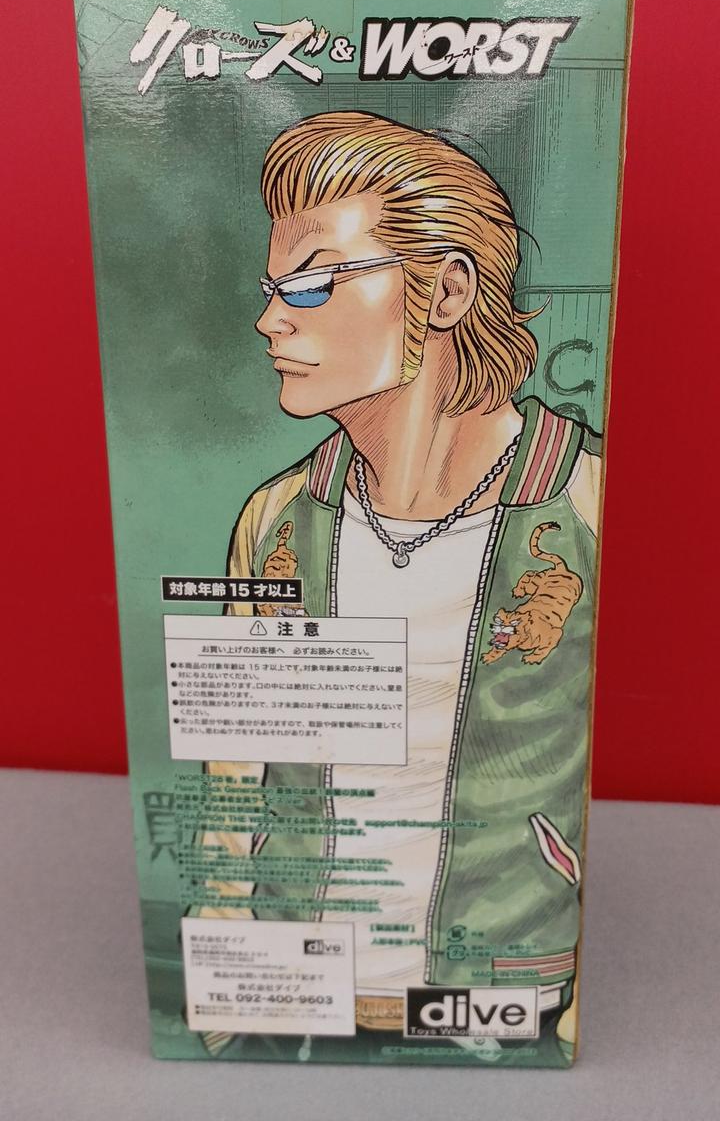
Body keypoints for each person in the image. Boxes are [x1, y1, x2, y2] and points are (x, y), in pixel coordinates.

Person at [197, 111, 601, 1064]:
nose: (270, 319)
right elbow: (234, 776)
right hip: (295, 1010)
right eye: (271, 288)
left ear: (447, 290)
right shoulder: (278, 519)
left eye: (311, 281)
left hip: (510, 1008)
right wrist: (223, 1003)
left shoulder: (585, 501)